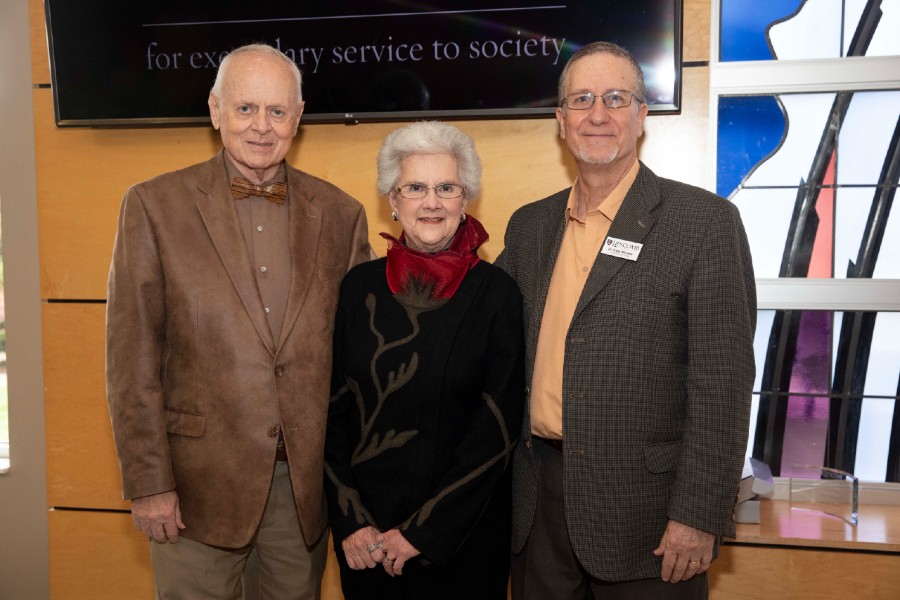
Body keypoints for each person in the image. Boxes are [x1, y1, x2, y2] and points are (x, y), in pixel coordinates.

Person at [105, 43, 372, 599]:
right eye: (245, 108)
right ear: (214, 110)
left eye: (277, 111)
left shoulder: (342, 215)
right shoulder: (153, 207)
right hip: (196, 489)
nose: (261, 127)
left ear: (298, 118)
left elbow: (358, 364)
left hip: (302, 494)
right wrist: (150, 484)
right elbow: (132, 362)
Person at [496, 41, 756, 599]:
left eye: (616, 98)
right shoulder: (528, 228)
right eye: (582, 99)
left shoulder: (705, 223)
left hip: (652, 519)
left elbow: (723, 388)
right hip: (537, 505)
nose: (597, 114)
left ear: (641, 115)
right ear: (560, 120)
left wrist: (698, 514)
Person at [324, 121, 524, 599]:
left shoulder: (497, 293)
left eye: (446, 188)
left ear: (465, 199)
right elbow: (330, 410)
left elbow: (498, 429)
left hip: (461, 543)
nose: (431, 202)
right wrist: (349, 520)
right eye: (415, 187)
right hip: (365, 542)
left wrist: (423, 532)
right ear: (392, 199)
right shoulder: (358, 288)